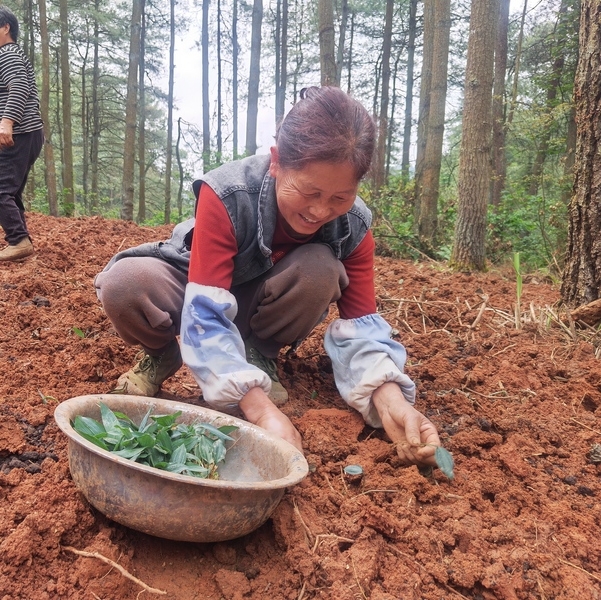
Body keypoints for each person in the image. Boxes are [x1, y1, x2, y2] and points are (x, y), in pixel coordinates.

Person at [95, 86, 441, 466]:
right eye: (309, 191)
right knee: (125, 283)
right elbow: (204, 315)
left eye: (340, 197)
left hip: (265, 302)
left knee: (320, 269)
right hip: (196, 293)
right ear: (276, 162)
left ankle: (260, 353)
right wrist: (260, 411)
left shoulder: (354, 225)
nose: (321, 210)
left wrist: (392, 402)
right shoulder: (228, 193)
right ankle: (162, 354)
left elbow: (362, 328)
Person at [0, 5, 44, 261]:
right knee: (9, 191)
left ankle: (18, 241)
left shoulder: (8, 53)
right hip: (22, 132)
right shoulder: (5, 55)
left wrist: (7, 122)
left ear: (6, 27)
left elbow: (19, 86)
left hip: (17, 131)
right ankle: (22, 247)